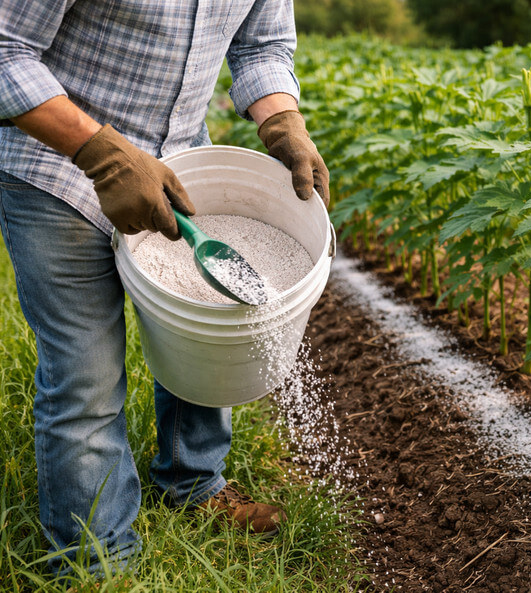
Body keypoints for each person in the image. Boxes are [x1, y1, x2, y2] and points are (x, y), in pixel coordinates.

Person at [0, 0, 330, 578]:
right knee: (86, 377)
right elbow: (6, 48)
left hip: (179, 167)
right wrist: (100, 152)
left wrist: (284, 123)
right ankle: (94, 560)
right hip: (57, 168)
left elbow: (263, 46)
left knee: (209, 320)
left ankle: (194, 482)